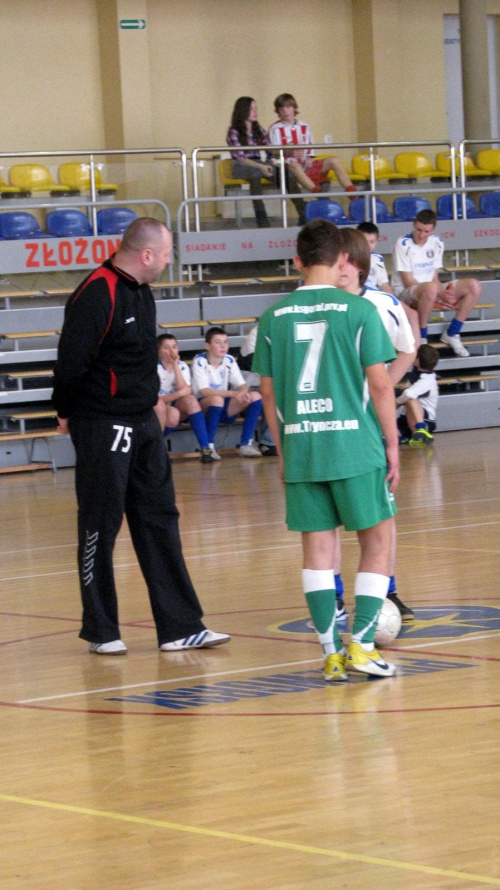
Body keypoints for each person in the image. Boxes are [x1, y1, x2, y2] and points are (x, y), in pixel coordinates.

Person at [52, 218, 230, 655]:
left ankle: (180, 626)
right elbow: (71, 363)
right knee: (100, 524)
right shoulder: (97, 293)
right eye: (168, 254)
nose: (171, 261)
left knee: (160, 520)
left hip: (145, 423)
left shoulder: (141, 291)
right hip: (103, 424)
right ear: (147, 254)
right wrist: (66, 413)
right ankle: (101, 630)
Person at [253, 218, 400, 681]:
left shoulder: (272, 317)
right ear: (343, 260)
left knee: (318, 550)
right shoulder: (359, 311)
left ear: (296, 261)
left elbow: (269, 395)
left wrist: (283, 451)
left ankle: (330, 654)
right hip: (353, 444)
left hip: (302, 447)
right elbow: (380, 384)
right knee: (378, 540)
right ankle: (361, 645)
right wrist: (393, 443)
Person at [338, 227, 416, 622]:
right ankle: (334, 594)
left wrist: (382, 383)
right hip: (330, 419)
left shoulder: (384, 304)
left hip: (368, 419)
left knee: (383, 510)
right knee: (328, 514)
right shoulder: (321, 304)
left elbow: (408, 348)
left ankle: (389, 589)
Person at [391, 209, 481, 356]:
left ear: (433, 230)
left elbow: (434, 278)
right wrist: (439, 292)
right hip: (406, 292)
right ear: (413, 225)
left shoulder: (437, 243)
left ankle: (452, 333)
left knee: (474, 286)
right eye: (419, 230)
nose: (421, 235)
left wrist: (446, 292)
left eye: (426, 231)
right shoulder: (403, 244)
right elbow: (408, 282)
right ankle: (422, 336)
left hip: (430, 289)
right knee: (431, 289)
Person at [226, 96, 308, 228]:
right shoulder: (233, 131)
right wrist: (261, 166)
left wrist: (285, 150)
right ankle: (262, 219)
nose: (255, 112)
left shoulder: (258, 129)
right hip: (241, 166)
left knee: (287, 175)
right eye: (251, 109)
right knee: (255, 173)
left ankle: (304, 213)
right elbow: (240, 158)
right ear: (243, 111)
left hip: (259, 164)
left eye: (255, 108)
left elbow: (270, 150)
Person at [191, 326, 263, 459]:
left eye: (225, 342)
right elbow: (204, 391)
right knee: (216, 399)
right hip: (203, 407)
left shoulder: (229, 360)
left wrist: (244, 393)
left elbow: (241, 384)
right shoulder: (200, 360)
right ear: (207, 345)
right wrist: (232, 394)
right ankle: (210, 446)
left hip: (223, 405)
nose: (223, 346)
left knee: (255, 396)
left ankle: (246, 444)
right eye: (218, 342)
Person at [268, 93, 357, 196]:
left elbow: (310, 147)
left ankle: (353, 193)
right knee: (294, 164)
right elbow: (272, 152)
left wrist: (309, 158)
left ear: (294, 108)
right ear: (278, 111)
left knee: (335, 160)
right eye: (281, 108)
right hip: (287, 168)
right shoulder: (275, 128)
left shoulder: (305, 126)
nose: (285, 111)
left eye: (288, 107)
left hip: (305, 165)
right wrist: (287, 150)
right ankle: (317, 192)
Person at [156, 333, 215, 463]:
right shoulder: (154, 368)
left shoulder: (182, 366)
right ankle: (157, 449)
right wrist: (178, 394)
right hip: (158, 409)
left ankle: (205, 448)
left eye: (174, 347)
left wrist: (175, 365)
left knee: (191, 400)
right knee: (172, 414)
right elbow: (154, 400)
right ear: (159, 352)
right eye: (166, 347)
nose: (171, 351)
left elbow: (185, 392)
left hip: (175, 405)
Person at [239, 323, 277, 456]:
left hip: (265, 382)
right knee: (271, 395)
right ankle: (267, 442)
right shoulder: (257, 333)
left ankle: (276, 441)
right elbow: (256, 363)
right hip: (248, 384)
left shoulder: (281, 331)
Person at [396, 343, 439, 446]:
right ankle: (403, 437)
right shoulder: (416, 375)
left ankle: (421, 427)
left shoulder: (427, 380)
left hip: (426, 419)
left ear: (418, 360)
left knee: (410, 398)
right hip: (406, 418)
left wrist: (395, 403)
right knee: (385, 425)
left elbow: (409, 393)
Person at [356, 221, 392, 292]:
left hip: (374, 294)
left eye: (372, 242)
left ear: (377, 241)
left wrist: (393, 299)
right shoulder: (350, 258)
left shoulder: (378, 259)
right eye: (364, 241)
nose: (368, 245)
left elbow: (384, 284)